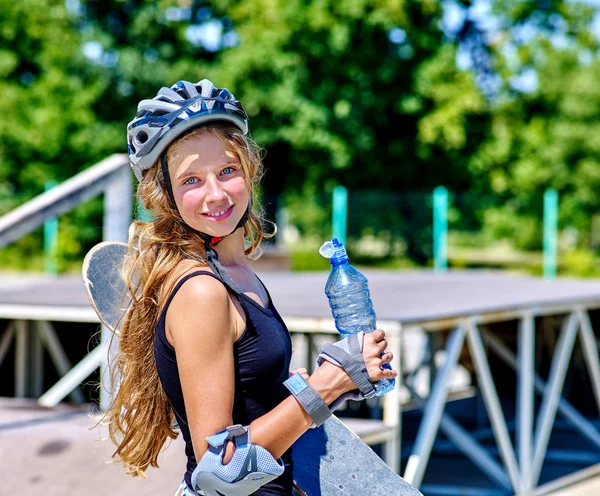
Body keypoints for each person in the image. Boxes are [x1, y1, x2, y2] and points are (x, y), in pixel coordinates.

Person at [102, 79, 397, 496]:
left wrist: (330, 384)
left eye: (227, 171)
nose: (216, 194)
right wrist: (324, 386)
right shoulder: (201, 291)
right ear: (164, 195)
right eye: (191, 181)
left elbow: (250, 404)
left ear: (249, 170)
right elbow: (219, 471)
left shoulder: (235, 272)